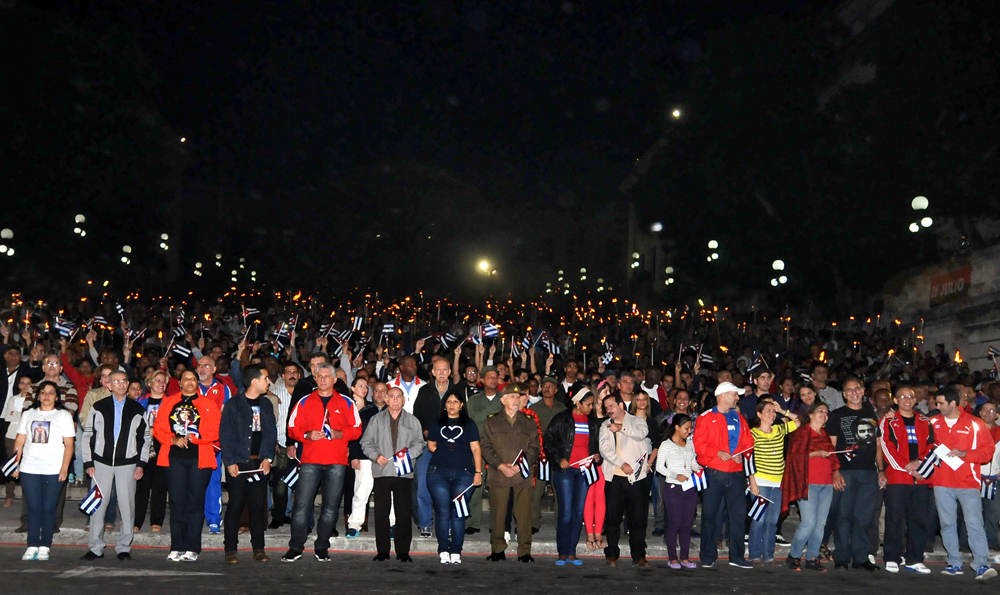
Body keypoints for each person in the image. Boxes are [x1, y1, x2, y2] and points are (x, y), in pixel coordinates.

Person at [282, 362, 361, 562]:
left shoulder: (346, 402)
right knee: (301, 506)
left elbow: (357, 429)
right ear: (315, 379)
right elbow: (291, 428)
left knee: (330, 507)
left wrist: (340, 433)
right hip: (310, 460)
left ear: (335, 380)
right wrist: (306, 434)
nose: (323, 379)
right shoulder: (304, 401)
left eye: (327, 376)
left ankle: (322, 546)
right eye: (319, 376)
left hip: (336, 461)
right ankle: (295, 547)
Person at [152, 369, 222, 562]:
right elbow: (157, 428)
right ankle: (177, 546)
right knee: (176, 502)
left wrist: (196, 438)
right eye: (186, 379)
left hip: (199, 459)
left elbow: (216, 430)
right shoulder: (169, 402)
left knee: (195, 503)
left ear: (198, 382)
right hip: (174, 458)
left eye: (193, 379)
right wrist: (172, 439)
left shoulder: (208, 404)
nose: (190, 382)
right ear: (180, 383)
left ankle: (192, 547)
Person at [80, 371, 150, 561]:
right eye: (116, 381)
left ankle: (124, 547)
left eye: (123, 381)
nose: (120, 384)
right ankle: (95, 547)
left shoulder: (137, 409)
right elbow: (87, 436)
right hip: (101, 463)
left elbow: (146, 439)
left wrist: (141, 464)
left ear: (128, 385)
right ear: (109, 385)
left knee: (127, 506)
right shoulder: (98, 407)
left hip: (128, 464)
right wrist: (88, 462)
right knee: (97, 507)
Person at [931, 389, 997, 580]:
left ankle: (982, 564)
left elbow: (987, 452)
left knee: (974, 523)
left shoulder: (975, 423)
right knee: (947, 524)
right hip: (942, 481)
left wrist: (965, 455)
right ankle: (954, 562)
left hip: (968, 483)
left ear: (953, 403)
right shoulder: (933, 422)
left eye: (941, 403)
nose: (937, 406)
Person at [693, 381, 755, 569]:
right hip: (714, 473)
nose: (738, 397)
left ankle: (737, 556)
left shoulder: (739, 418)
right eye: (735, 394)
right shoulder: (706, 417)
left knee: (738, 516)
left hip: (736, 474)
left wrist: (742, 455)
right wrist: (717, 453)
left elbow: (748, 442)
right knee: (710, 515)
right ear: (722, 396)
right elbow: (698, 444)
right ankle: (707, 555)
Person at [220, 364, 277, 564]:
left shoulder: (267, 404)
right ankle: (230, 549)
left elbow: (271, 434)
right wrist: (229, 463)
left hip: (259, 463)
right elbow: (225, 436)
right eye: (266, 378)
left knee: (257, 506)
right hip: (238, 462)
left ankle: (259, 549)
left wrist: (268, 459)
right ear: (254, 381)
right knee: (235, 505)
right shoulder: (233, 405)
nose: (269, 381)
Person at [360, 386, 425, 562]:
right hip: (382, 470)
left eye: (399, 397)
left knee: (403, 512)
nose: (395, 400)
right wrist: (376, 456)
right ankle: (382, 551)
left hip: (404, 472)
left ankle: (403, 551)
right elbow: (365, 442)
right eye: (392, 397)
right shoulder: (376, 420)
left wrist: (408, 455)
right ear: (386, 400)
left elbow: (420, 443)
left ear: (404, 400)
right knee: (381, 513)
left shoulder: (412, 421)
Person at [12, 380, 74, 561]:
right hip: (29, 467)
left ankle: (45, 544)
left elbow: (69, 444)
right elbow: (19, 441)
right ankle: (32, 545)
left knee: (48, 507)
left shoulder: (63, 416)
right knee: (33, 507)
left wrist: (64, 468)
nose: (46, 396)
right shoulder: (29, 414)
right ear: (38, 395)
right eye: (43, 392)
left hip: (54, 468)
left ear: (57, 396)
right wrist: (15, 464)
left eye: (51, 392)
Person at [480, 383, 541, 562]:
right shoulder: (492, 421)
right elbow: (485, 446)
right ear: (503, 400)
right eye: (512, 397)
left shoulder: (528, 423)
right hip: (499, 475)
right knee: (498, 514)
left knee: (524, 515)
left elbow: (535, 447)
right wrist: (500, 465)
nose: (516, 400)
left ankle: (524, 550)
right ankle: (498, 549)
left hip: (522, 475)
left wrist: (519, 466)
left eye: (518, 397)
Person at [877, 385, 934, 574]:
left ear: (915, 399)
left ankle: (914, 558)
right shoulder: (888, 422)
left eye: (910, 396)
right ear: (896, 400)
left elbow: (933, 445)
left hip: (921, 478)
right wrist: (909, 468)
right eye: (902, 397)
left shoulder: (925, 421)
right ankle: (892, 557)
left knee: (919, 520)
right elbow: (887, 447)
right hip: (898, 478)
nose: (907, 400)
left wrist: (920, 464)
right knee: (895, 519)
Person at [826, 376, 880, 571]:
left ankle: (860, 557)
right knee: (843, 515)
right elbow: (831, 447)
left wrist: (880, 470)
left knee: (864, 518)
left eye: (857, 388)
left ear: (863, 390)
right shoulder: (837, 415)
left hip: (868, 472)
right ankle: (841, 557)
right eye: (849, 390)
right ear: (844, 394)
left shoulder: (871, 413)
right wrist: (835, 471)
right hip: (845, 472)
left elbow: (878, 445)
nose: (854, 392)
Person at [784, 402, 844, 571]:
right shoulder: (802, 433)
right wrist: (816, 454)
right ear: (810, 414)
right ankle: (794, 555)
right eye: (820, 411)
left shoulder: (824, 435)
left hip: (826, 484)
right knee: (809, 522)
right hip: (808, 482)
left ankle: (812, 557)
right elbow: (794, 457)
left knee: (820, 524)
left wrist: (835, 473)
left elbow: (832, 459)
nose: (824, 414)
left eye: (826, 412)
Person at [543, 385, 600, 565]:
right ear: (577, 402)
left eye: (592, 405)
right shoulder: (562, 419)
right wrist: (559, 458)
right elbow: (548, 440)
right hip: (566, 471)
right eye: (588, 404)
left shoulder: (592, 422)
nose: (591, 408)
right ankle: (562, 551)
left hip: (584, 470)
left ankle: (572, 552)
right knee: (566, 512)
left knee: (577, 512)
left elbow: (596, 445)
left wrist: (597, 457)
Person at [426, 392, 482, 564]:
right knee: (442, 513)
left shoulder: (469, 424)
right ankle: (443, 549)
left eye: (455, 401)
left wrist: (478, 472)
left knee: (458, 513)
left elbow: (476, 449)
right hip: (438, 473)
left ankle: (456, 551)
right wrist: (446, 455)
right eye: (448, 401)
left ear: (461, 405)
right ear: (445, 405)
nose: (452, 404)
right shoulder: (437, 422)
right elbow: (431, 445)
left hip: (464, 474)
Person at [599, 391, 651, 567]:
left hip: (637, 479)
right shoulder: (605, 425)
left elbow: (641, 434)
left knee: (638, 519)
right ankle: (612, 553)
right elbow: (605, 449)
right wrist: (621, 463)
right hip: (615, 477)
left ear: (621, 405)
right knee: (613, 518)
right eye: (606, 408)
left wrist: (621, 428)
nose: (609, 410)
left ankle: (639, 555)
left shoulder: (637, 421)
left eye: (611, 406)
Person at [412, 357, 458, 538]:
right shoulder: (424, 391)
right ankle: (425, 523)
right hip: (426, 446)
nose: (441, 373)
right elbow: (417, 417)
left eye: (444, 370)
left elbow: (463, 418)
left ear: (449, 372)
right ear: (432, 372)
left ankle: (445, 524)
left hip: (450, 447)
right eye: (437, 370)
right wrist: (425, 431)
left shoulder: (456, 392)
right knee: (423, 484)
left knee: (447, 486)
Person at [656, 413, 700, 569]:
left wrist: (699, 469)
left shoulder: (689, 444)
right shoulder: (666, 445)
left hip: (690, 488)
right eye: (686, 428)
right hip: (674, 487)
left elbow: (693, 462)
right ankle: (672, 558)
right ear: (677, 427)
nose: (689, 431)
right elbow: (659, 467)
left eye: (690, 428)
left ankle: (685, 557)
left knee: (686, 524)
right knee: (674, 524)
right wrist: (676, 475)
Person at [194, 355, 231, 534]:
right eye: (199, 365)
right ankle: (192, 518)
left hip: (213, 445)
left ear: (214, 369)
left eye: (206, 366)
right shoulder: (190, 388)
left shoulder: (223, 390)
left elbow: (226, 418)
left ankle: (214, 519)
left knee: (212, 482)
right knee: (190, 483)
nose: (202, 369)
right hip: (191, 444)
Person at [464, 365, 503, 534]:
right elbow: (468, 424)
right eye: (490, 377)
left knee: (497, 488)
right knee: (476, 485)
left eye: (496, 377)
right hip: (477, 449)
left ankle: (497, 523)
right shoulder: (473, 401)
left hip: (499, 450)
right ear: (482, 380)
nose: (493, 380)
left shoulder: (504, 399)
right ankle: (474, 522)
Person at [347, 381, 388, 537]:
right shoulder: (364, 412)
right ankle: (354, 524)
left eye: (383, 391)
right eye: (376, 391)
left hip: (386, 459)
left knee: (388, 493)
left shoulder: (393, 411)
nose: (379, 394)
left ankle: (390, 524)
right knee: (361, 491)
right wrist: (354, 456)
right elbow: (355, 436)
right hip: (364, 457)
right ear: (372, 393)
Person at [529, 376, 566, 534]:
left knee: (560, 492)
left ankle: (561, 524)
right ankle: (533, 523)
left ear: (556, 390)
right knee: (536, 492)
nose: (547, 388)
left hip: (557, 456)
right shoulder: (534, 408)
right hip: (540, 457)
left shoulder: (563, 409)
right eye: (544, 386)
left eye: (550, 386)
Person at [267, 359, 301, 529]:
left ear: (299, 375)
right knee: (280, 484)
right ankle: (278, 516)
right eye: (288, 372)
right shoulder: (274, 393)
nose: (292, 375)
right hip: (281, 445)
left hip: (303, 445)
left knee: (302, 484)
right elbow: (270, 421)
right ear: (283, 376)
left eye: (295, 372)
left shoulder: (305, 393)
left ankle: (295, 516)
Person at [134, 369, 168, 533]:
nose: (161, 384)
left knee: (160, 485)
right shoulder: (140, 402)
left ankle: (157, 520)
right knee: (141, 486)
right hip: (144, 447)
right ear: (150, 383)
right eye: (158, 381)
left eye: (163, 381)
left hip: (163, 446)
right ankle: (137, 520)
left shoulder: (171, 402)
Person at [979, 402, 1000, 551]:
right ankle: (966, 543)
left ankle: (991, 542)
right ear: (980, 413)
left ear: (997, 415)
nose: (988, 413)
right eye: (985, 410)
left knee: (993, 513)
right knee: (972, 513)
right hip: (974, 477)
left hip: (994, 477)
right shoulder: (972, 430)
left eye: (991, 411)